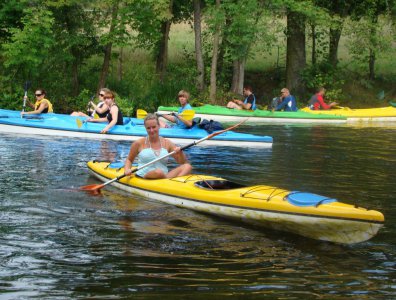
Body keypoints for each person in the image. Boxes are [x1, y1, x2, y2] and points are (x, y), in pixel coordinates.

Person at [124, 113, 192, 179]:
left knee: (187, 166)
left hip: (164, 177)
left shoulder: (167, 143)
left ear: (159, 126)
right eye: (148, 128)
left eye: (154, 127)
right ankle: (169, 181)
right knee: (158, 172)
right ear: (145, 128)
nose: (151, 130)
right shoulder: (138, 143)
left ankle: (173, 184)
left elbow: (182, 162)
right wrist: (127, 169)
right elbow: (129, 159)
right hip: (145, 176)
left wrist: (180, 153)